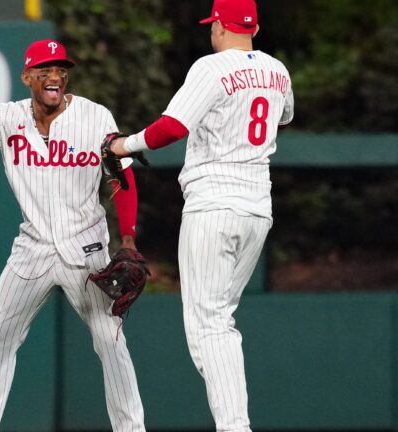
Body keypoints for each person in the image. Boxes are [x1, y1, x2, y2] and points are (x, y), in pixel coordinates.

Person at [0, 39, 147, 431]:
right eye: (45, 69)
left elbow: (123, 175)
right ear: (27, 77)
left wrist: (129, 239)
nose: (55, 75)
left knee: (111, 343)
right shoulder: (5, 118)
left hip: (86, 247)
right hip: (32, 248)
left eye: (61, 69)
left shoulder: (95, 116)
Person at [108, 0, 294, 430]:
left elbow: (172, 127)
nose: (211, 33)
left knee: (208, 326)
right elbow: (281, 120)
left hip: (213, 204)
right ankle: (234, 424)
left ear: (219, 27)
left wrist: (124, 146)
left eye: (212, 25)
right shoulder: (278, 71)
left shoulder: (211, 69)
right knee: (220, 321)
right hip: (257, 210)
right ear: (256, 26)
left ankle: (235, 427)